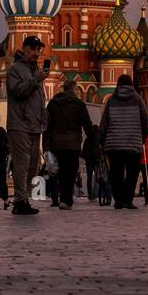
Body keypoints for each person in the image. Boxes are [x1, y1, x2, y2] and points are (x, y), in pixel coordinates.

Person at [6, 35, 50, 215]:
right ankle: (20, 201)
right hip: (20, 125)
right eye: (32, 49)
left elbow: (38, 99)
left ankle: (24, 198)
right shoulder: (15, 69)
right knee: (22, 164)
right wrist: (36, 80)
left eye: (38, 49)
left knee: (32, 165)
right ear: (24, 49)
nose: (36, 53)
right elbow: (17, 91)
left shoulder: (34, 70)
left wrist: (43, 118)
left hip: (34, 125)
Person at [98, 74, 148, 210]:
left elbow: (104, 122)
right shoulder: (138, 99)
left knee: (116, 174)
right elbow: (146, 120)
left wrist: (102, 138)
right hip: (133, 143)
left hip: (114, 144)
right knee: (132, 174)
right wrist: (144, 136)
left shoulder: (111, 100)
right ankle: (128, 200)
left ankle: (118, 200)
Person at [45, 79, 95, 211]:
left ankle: (63, 199)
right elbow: (87, 124)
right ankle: (67, 199)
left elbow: (47, 126)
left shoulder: (53, 104)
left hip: (57, 143)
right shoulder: (78, 104)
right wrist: (93, 141)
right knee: (71, 171)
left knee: (61, 171)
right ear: (74, 89)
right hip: (73, 142)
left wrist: (46, 145)